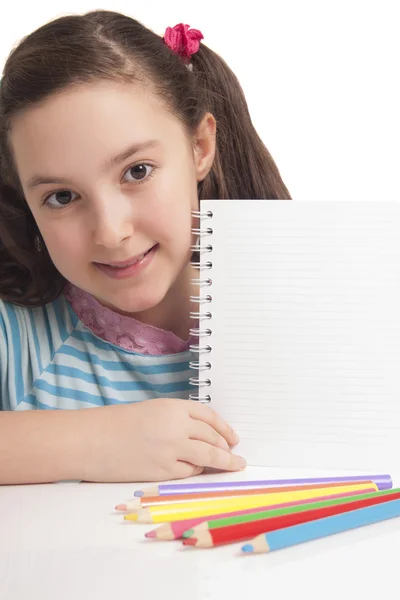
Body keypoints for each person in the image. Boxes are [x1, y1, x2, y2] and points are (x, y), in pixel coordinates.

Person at [0, 11, 291, 485]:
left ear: (199, 146)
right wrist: (91, 443)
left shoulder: (300, 317)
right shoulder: (18, 335)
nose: (111, 231)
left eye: (137, 171)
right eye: (61, 197)